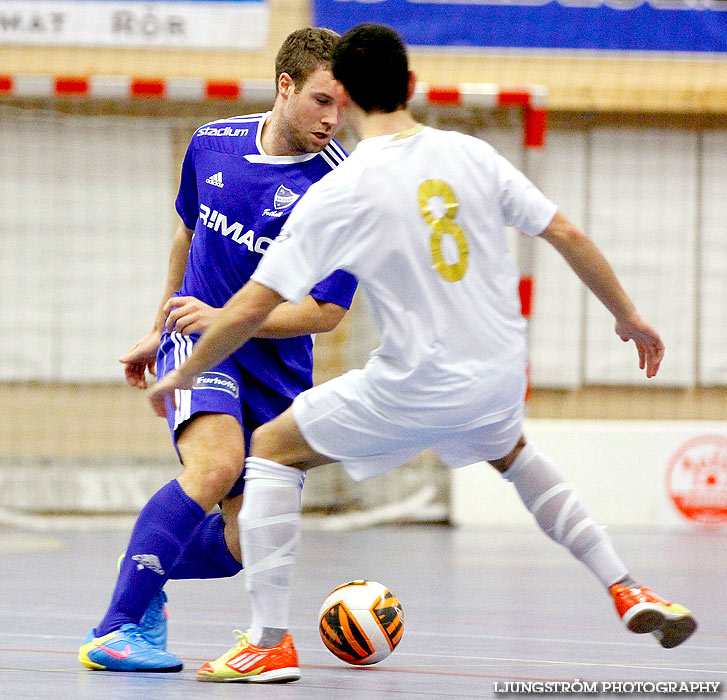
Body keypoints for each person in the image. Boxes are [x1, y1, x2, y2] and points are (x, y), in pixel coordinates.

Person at [148, 23, 697, 684]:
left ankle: (267, 641)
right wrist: (628, 317)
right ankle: (626, 586)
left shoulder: (342, 191)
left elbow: (250, 307)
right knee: (515, 457)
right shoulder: (470, 154)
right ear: (411, 86)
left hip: (413, 384)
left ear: (342, 95)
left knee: (269, 449)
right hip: (497, 376)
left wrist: (180, 368)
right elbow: (564, 230)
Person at [78, 27, 357, 674]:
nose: (331, 118)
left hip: (274, 365)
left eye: (342, 105)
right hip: (201, 345)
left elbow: (326, 311)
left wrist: (233, 318)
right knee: (215, 466)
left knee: (240, 542)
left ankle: (144, 587)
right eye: (320, 100)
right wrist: (161, 328)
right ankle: (117, 627)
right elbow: (187, 233)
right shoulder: (212, 143)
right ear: (284, 87)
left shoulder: (341, 187)